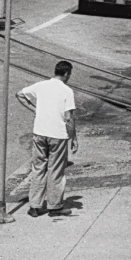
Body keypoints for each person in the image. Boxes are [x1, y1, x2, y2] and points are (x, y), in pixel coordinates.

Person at [17, 60, 78, 217]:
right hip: (57, 135)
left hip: (39, 133)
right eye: (69, 74)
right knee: (55, 171)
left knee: (38, 169)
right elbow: (69, 118)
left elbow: (20, 95)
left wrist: (35, 109)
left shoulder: (41, 85)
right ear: (66, 74)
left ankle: (35, 206)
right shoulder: (67, 91)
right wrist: (73, 137)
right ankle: (54, 206)